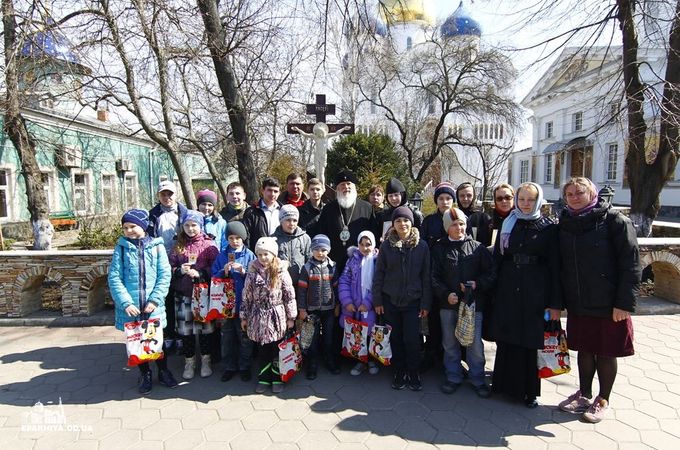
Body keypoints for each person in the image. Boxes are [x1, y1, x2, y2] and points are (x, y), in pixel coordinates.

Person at [557, 177, 640, 423]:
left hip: (609, 303)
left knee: (606, 352)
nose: (574, 197)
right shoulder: (566, 223)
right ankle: (584, 393)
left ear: (592, 193)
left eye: (579, 192)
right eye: (569, 193)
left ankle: (602, 399)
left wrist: (624, 303)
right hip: (579, 300)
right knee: (584, 349)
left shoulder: (614, 220)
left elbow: (631, 263)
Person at [490, 182, 562, 408]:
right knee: (507, 336)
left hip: (535, 288)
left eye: (530, 199)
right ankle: (502, 385)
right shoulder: (509, 223)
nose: (526, 204)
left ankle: (529, 391)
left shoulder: (548, 227)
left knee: (529, 340)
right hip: (508, 286)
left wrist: (554, 302)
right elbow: (498, 258)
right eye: (522, 199)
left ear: (538, 200)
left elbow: (556, 266)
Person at [109, 209, 178, 395]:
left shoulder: (157, 247)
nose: (129, 230)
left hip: (152, 306)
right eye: (125, 227)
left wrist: (155, 299)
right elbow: (115, 277)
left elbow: (164, 275)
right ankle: (145, 374)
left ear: (144, 225)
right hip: (132, 307)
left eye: (133, 226)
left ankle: (163, 371)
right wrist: (126, 303)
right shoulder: (121, 248)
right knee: (137, 342)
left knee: (157, 340)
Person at [431, 207, 495, 398]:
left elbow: (491, 274)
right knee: (449, 343)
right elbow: (433, 276)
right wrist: (445, 294)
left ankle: (477, 378)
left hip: (472, 305)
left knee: (475, 345)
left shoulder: (478, 248)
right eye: (454, 225)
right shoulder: (439, 248)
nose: (458, 228)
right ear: (446, 227)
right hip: (448, 305)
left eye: (461, 224)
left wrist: (478, 284)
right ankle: (453, 376)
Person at [373, 206, 432, 391]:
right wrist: (378, 300)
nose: (402, 224)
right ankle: (398, 370)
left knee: (412, 339)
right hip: (391, 301)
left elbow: (426, 276)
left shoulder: (421, 246)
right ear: (393, 224)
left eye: (406, 220)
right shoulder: (386, 245)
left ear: (411, 223)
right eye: (398, 221)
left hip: (413, 302)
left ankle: (413, 371)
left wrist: (425, 303)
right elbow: (379, 274)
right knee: (396, 338)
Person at [240, 237, 297, 394]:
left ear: (273, 254)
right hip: (257, 317)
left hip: (276, 316)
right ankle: (264, 378)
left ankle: (277, 378)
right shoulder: (252, 273)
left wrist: (291, 317)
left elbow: (289, 295)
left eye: (266, 254)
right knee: (262, 349)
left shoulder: (281, 272)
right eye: (260, 254)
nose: (263, 258)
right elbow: (246, 296)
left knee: (277, 348)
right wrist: (244, 316)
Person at [168, 210, 220, 380]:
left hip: (203, 293)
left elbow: (216, 268)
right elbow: (168, 267)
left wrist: (201, 273)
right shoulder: (178, 245)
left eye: (194, 225)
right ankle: (189, 361)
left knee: (205, 329)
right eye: (187, 225)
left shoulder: (209, 245)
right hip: (183, 293)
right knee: (186, 330)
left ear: (201, 225)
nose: (191, 229)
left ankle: (206, 360)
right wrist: (178, 271)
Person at [211, 221, 256, 382]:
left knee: (245, 338)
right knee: (227, 337)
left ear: (243, 238)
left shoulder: (250, 255)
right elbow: (213, 277)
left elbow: (257, 277)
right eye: (231, 238)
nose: (235, 241)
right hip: (226, 306)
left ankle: (245, 366)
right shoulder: (222, 255)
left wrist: (244, 272)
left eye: (238, 237)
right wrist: (224, 271)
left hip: (244, 304)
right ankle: (229, 366)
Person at [147, 180, 188, 353]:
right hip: (161, 263)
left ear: (175, 194)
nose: (167, 197)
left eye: (170, 194)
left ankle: (181, 336)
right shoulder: (153, 214)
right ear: (159, 196)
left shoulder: (184, 212)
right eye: (163, 194)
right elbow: (148, 238)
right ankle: (168, 335)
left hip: (181, 261)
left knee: (181, 301)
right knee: (166, 300)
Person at [419, 181, 456, 370]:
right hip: (434, 275)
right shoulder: (429, 221)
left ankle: (450, 359)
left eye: (448, 198)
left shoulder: (458, 218)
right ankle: (431, 353)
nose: (445, 202)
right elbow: (423, 248)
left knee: (451, 321)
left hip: (453, 277)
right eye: (441, 198)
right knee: (433, 319)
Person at [315, 169, 379, 274]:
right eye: (342, 185)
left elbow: (373, 235)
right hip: (333, 262)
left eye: (349, 184)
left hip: (360, 262)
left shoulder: (367, 208)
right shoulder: (328, 209)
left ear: (354, 186)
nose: (346, 187)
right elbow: (322, 233)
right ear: (337, 189)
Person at [297, 234, 340, 379]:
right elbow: (302, 290)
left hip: (329, 309)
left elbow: (336, 287)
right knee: (312, 339)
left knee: (328, 338)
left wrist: (337, 305)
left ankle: (329, 360)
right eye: (316, 249)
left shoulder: (332, 267)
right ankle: (312, 364)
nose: (320, 253)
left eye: (323, 249)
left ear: (328, 250)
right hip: (311, 310)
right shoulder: (307, 267)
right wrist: (302, 309)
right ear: (312, 250)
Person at [338, 230, 380, 376]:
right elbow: (344, 280)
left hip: (369, 307)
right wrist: (347, 301)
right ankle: (359, 361)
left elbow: (377, 284)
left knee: (369, 333)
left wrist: (368, 303)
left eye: (368, 244)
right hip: (353, 306)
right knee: (356, 335)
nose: (365, 247)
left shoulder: (377, 261)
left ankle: (370, 359)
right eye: (361, 244)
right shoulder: (352, 260)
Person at [291, 123, 350, 187]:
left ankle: (322, 186)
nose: (318, 134)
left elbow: (336, 133)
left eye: (319, 132)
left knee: (321, 173)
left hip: (323, 156)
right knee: (317, 174)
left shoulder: (327, 136)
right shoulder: (315, 137)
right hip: (317, 156)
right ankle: (317, 186)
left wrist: (344, 128)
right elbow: (305, 134)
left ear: (322, 132)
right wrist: (297, 129)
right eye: (317, 132)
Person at [273, 204, 311, 286]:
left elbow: (310, 260)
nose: (291, 223)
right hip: (280, 283)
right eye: (288, 220)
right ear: (281, 220)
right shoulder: (273, 239)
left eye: (294, 220)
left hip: (300, 283)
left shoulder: (305, 238)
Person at [242, 177, 282, 251]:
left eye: (275, 191)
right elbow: (247, 237)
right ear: (262, 191)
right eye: (269, 190)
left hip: (279, 253)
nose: (272, 194)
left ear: (279, 193)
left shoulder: (283, 210)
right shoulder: (251, 212)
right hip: (259, 254)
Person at [455, 182, 492, 247]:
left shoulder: (484, 218)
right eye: (462, 196)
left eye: (469, 195)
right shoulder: (453, 216)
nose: (465, 199)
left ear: (474, 196)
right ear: (457, 197)